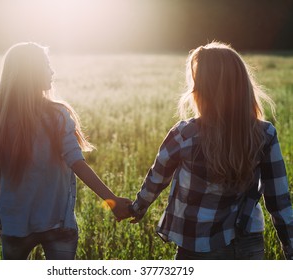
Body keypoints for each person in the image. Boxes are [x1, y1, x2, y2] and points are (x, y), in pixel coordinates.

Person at [125, 42, 293, 260]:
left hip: (198, 243)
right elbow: (280, 202)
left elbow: (156, 179)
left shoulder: (184, 134)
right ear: (243, 86)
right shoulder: (264, 134)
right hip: (248, 241)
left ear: (201, 90)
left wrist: (136, 208)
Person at [0, 42, 132, 260]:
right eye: (46, 65)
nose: (52, 71)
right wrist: (113, 201)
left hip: (14, 224)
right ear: (31, 73)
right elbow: (77, 163)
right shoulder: (57, 115)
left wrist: (3, 216)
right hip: (58, 224)